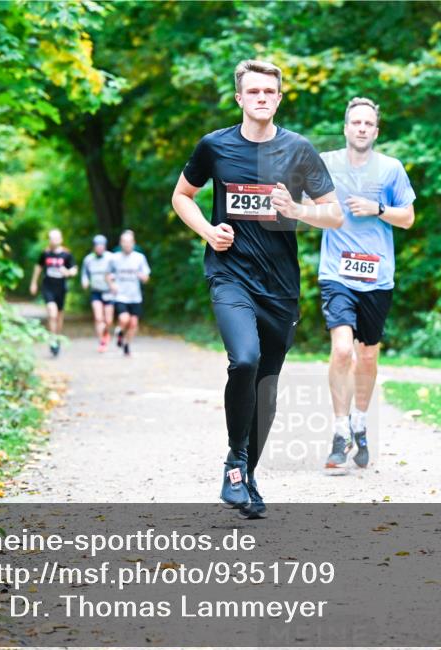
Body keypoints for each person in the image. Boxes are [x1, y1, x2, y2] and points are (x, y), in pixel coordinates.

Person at [171, 59, 342, 518]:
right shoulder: (215, 146)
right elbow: (181, 196)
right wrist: (208, 231)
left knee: (266, 384)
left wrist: (299, 210)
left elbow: (335, 214)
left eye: (270, 91)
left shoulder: (299, 150)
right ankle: (235, 461)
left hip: (280, 287)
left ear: (279, 98)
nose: (262, 97)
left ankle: (248, 479)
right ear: (240, 98)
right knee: (243, 360)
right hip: (230, 274)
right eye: (254, 91)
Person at [310, 97, 416, 471]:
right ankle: (340, 432)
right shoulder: (326, 164)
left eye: (368, 123)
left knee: (367, 354)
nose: (361, 128)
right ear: (345, 127)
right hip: (336, 273)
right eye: (355, 122)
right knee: (342, 350)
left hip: (377, 277)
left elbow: (408, 218)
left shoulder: (391, 169)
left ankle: (360, 421)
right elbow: (307, 208)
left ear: (376, 130)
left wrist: (378, 210)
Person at [29, 229, 78, 357]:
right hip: (48, 287)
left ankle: (57, 337)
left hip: (61, 288)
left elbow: (74, 269)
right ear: (49, 240)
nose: (54, 240)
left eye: (56, 238)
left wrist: (67, 272)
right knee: (52, 313)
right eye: (51, 238)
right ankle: (53, 340)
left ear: (61, 239)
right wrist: (33, 283)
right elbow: (38, 267)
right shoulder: (45, 253)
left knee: (59, 316)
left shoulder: (66, 254)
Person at [108, 229, 150, 356]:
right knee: (124, 319)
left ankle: (126, 344)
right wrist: (112, 284)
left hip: (135, 296)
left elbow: (147, 277)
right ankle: (119, 331)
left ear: (133, 243)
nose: (127, 244)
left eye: (129, 242)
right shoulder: (114, 258)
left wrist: (142, 276)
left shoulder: (139, 258)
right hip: (121, 295)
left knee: (133, 324)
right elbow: (108, 275)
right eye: (125, 242)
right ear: (121, 243)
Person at [81, 234, 116, 353]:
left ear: (105, 246)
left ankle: (106, 333)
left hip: (108, 292)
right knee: (98, 317)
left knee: (109, 320)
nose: (99, 248)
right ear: (94, 247)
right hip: (96, 292)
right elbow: (84, 274)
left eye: (102, 246)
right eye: (97, 246)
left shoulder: (111, 258)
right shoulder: (88, 259)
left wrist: (113, 280)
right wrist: (85, 282)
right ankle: (101, 341)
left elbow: (117, 273)